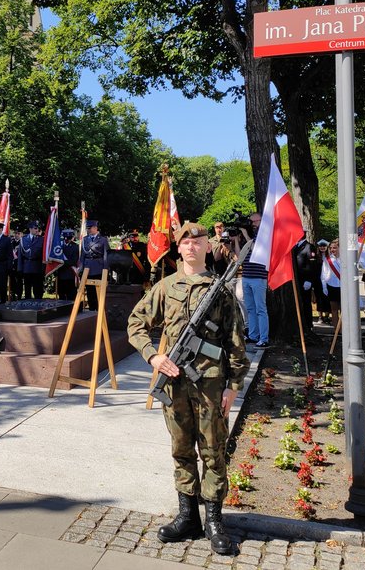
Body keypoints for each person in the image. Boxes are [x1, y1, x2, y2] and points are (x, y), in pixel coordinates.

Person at [127, 221, 248, 555]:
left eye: (199, 241)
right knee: (181, 448)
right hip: (176, 385)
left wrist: (233, 386)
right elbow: (136, 324)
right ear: (178, 248)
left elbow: (236, 341)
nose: (192, 246)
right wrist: (153, 356)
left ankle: (214, 520)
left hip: (211, 386)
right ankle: (187, 516)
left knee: (213, 451)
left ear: (208, 247)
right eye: (186, 242)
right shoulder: (165, 288)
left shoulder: (220, 290)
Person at [239, 213, 269, 347]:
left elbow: (254, 248)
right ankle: (253, 335)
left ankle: (264, 338)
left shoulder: (265, 233)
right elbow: (241, 254)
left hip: (259, 276)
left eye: (253, 221)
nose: (252, 224)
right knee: (250, 308)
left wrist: (245, 234)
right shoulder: (253, 234)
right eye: (250, 222)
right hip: (246, 275)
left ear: (260, 220)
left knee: (260, 309)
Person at [81, 219, 109, 310]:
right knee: (89, 290)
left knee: (98, 290)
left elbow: (106, 255)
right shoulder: (85, 239)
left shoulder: (103, 240)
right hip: (87, 267)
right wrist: (81, 266)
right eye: (87, 228)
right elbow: (82, 255)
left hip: (98, 267)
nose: (88, 230)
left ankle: (99, 309)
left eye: (90, 228)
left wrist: (105, 269)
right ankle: (91, 309)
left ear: (95, 228)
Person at [319, 239, 343, 335]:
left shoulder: (344, 259)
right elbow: (324, 274)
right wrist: (324, 286)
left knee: (344, 310)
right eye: (331, 248)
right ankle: (337, 330)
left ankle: (344, 329)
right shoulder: (327, 260)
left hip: (343, 287)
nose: (333, 250)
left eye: (335, 248)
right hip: (332, 285)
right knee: (334, 310)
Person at [20, 221, 44, 299]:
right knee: (27, 288)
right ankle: (28, 306)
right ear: (30, 229)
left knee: (38, 289)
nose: (37, 230)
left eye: (37, 228)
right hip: (27, 267)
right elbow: (20, 255)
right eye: (35, 228)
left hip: (37, 267)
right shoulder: (23, 239)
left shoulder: (41, 239)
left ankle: (38, 306)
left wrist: (44, 268)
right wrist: (20, 268)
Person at [58, 228, 79, 301]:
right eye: (65, 238)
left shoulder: (76, 247)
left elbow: (74, 261)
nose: (67, 239)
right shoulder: (59, 247)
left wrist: (62, 263)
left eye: (69, 238)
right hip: (61, 273)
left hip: (70, 274)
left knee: (71, 295)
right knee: (61, 295)